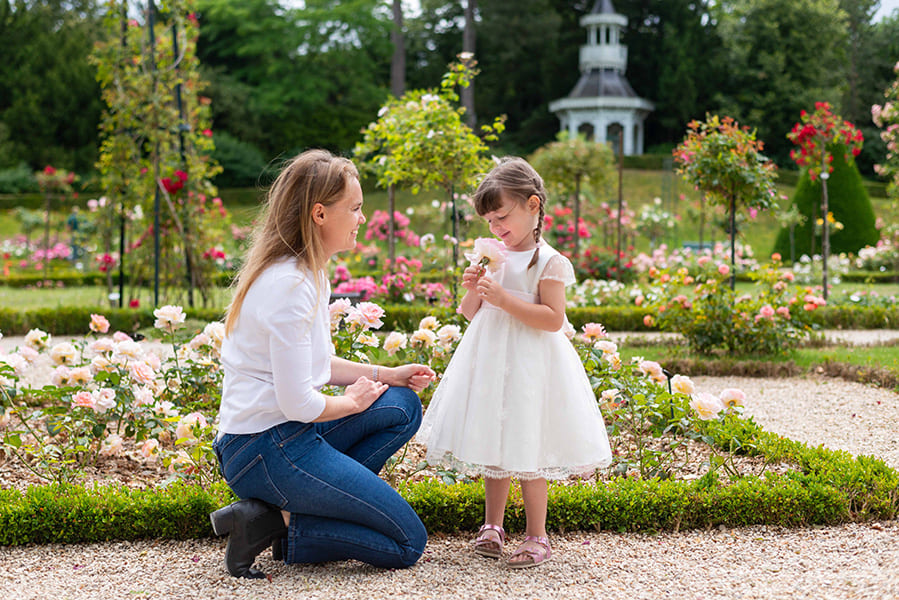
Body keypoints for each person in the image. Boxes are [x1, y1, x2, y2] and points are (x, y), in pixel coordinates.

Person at [210, 149, 436, 579]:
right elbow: (299, 404)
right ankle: (277, 523)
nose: (362, 218)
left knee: (401, 404)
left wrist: (387, 375)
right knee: (407, 542)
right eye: (354, 208)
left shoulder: (308, 270)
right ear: (319, 214)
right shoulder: (289, 286)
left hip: (283, 436)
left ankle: (308, 502)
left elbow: (316, 364)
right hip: (262, 449)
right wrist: (351, 403)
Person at [417, 157, 612, 569]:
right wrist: (474, 288)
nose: (495, 227)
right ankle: (493, 525)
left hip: (531, 364)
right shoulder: (494, 256)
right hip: (490, 359)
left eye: (502, 216)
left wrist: (504, 298)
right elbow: (470, 312)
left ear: (533, 206)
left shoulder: (548, 262)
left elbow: (553, 319)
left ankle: (537, 534)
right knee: (494, 438)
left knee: (528, 440)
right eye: (489, 220)